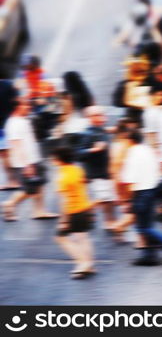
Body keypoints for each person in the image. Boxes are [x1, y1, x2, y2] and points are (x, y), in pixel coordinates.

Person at [122, 129, 162, 266]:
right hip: (154, 189)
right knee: (147, 224)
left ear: (130, 141)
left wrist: (127, 200)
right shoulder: (148, 150)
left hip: (141, 192)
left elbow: (128, 180)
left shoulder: (132, 154)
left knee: (143, 227)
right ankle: (149, 255)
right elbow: (159, 168)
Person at [2, 98, 58, 221]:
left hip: (33, 159)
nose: (29, 107)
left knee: (39, 185)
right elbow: (16, 146)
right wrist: (27, 166)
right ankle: (10, 203)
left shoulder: (22, 120)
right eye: (25, 105)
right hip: (25, 163)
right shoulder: (13, 124)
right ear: (17, 107)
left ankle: (39, 211)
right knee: (29, 189)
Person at [52, 146, 96, 279]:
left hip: (73, 212)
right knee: (83, 238)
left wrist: (63, 220)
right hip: (85, 207)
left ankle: (83, 263)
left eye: (54, 158)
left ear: (59, 160)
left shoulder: (62, 177)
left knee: (60, 238)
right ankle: (90, 264)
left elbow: (64, 201)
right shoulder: (78, 169)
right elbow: (84, 188)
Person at [76, 106, 117, 231]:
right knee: (104, 199)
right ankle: (87, 213)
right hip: (97, 174)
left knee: (110, 199)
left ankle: (111, 220)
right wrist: (94, 149)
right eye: (98, 115)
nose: (103, 117)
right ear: (90, 118)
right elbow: (78, 154)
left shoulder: (101, 130)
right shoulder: (87, 134)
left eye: (103, 114)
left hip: (106, 172)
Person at [0, 79, 20, 190]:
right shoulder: (8, 84)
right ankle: (21, 179)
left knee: (4, 155)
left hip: (1, 127)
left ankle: (12, 181)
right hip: (13, 122)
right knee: (15, 151)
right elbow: (18, 100)